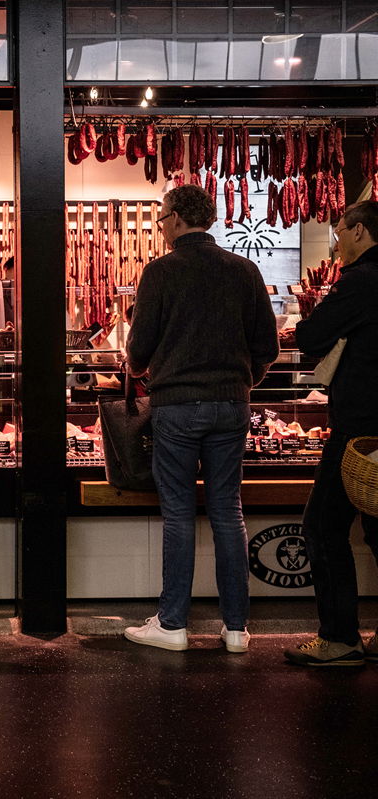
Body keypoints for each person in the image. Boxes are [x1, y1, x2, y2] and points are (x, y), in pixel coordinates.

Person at [124, 184, 278, 654]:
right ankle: (235, 628)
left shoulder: (161, 272)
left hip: (176, 406)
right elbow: (267, 348)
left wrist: (139, 366)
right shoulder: (245, 270)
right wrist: (240, 382)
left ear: (175, 219)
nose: (161, 225)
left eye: (161, 217)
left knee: (178, 513)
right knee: (228, 511)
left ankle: (173, 624)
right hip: (232, 404)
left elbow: (137, 350)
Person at [285, 200, 378, 667]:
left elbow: (311, 336)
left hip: (360, 429)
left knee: (322, 527)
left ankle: (339, 638)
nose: (337, 239)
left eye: (340, 230)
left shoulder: (361, 281)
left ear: (360, 231)